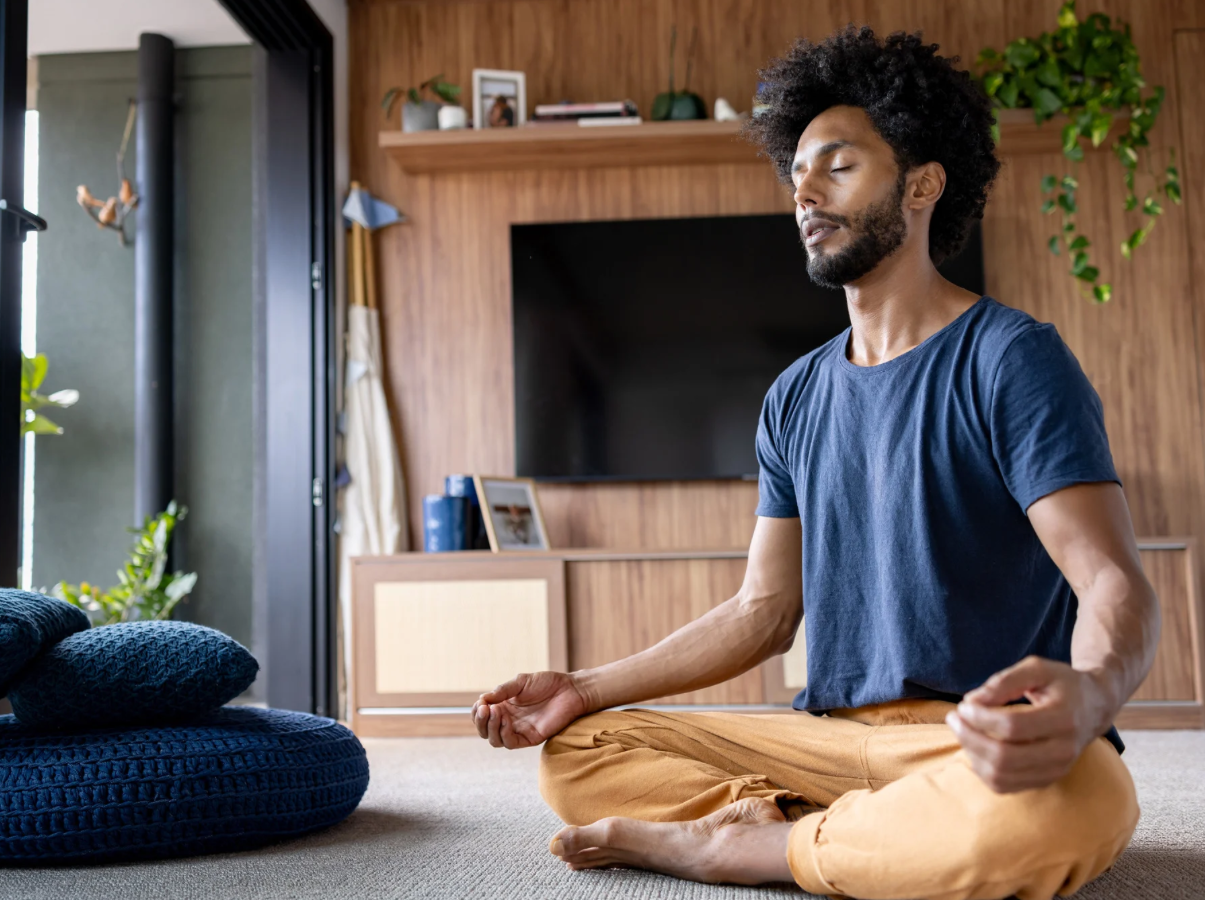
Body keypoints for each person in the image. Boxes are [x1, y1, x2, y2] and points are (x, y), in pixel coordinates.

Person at [471, 25, 1158, 900]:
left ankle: (747, 846)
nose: (805, 192)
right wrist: (579, 685)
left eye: (837, 166)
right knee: (579, 751)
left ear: (922, 184)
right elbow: (765, 609)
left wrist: (1093, 696)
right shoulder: (795, 395)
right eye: (796, 174)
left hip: (971, 738)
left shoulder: (1011, 358)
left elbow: (1110, 580)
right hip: (826, 743)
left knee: (1079, 801)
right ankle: (829, 833)